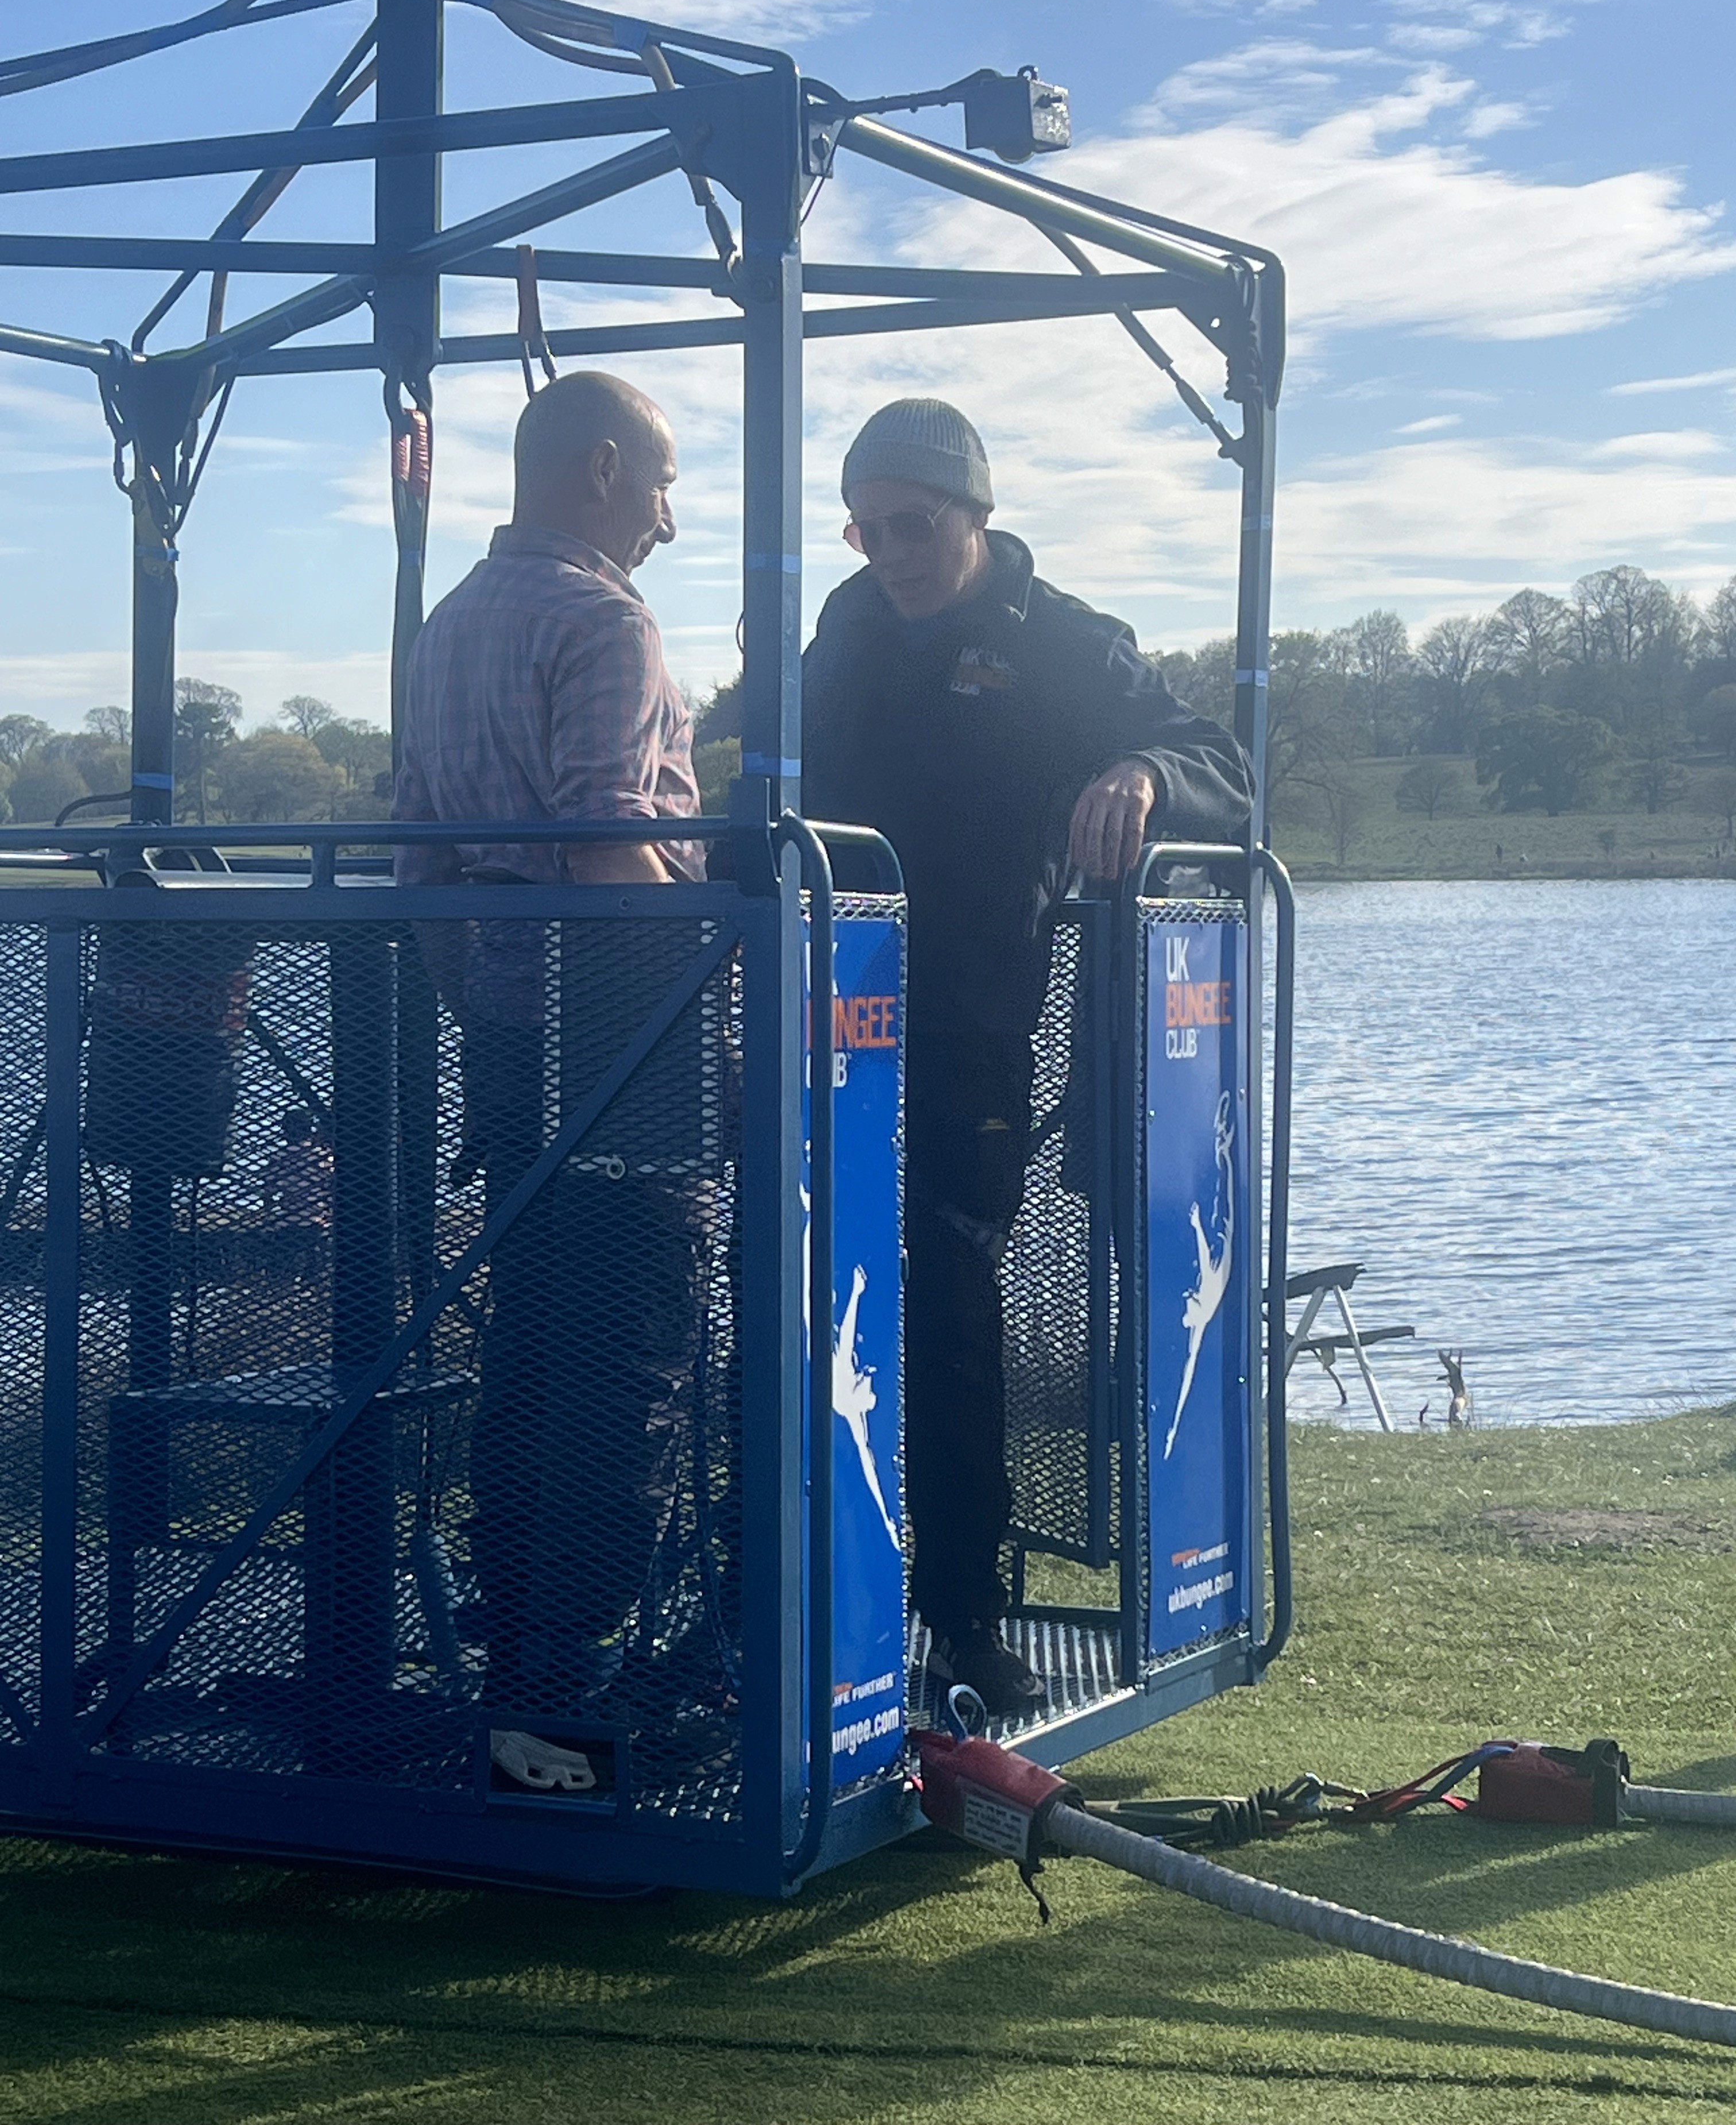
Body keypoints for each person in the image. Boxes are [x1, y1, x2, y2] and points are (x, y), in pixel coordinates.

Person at [802, 397, 1255, 1714]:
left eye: (914, 523)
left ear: (978, 512)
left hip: (965, 1037)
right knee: (804, 1313)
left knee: (946, 1322)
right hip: (818, 1025)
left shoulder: (1063, 642)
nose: (888, 548)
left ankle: (963, 1613)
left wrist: (1141, 779)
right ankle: (809, 1601)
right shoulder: (842, 622)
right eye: (866, 525)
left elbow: (1214, 753)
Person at [394, 371, 710, 1779]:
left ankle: (518, 1651)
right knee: (630, 1355)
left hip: (510, 1045)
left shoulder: (448, 624)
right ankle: (571, 1687)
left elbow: (424, 870)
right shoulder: (604, 619)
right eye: (660, 483)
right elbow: (609, 849)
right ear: (598, 471)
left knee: (529, 1352)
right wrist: (711, 1001)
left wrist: (483, 1009)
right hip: (622, 1044)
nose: (670, 516)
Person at [261, 1106, 332, 1282]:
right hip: (316, 1222)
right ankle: (313, 1274)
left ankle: (281, 1276)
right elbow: (330, 1191)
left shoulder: (278, 1158)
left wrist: (269, 1219)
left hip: (287, 1222)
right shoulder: (322, 1158)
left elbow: (268, 1194)